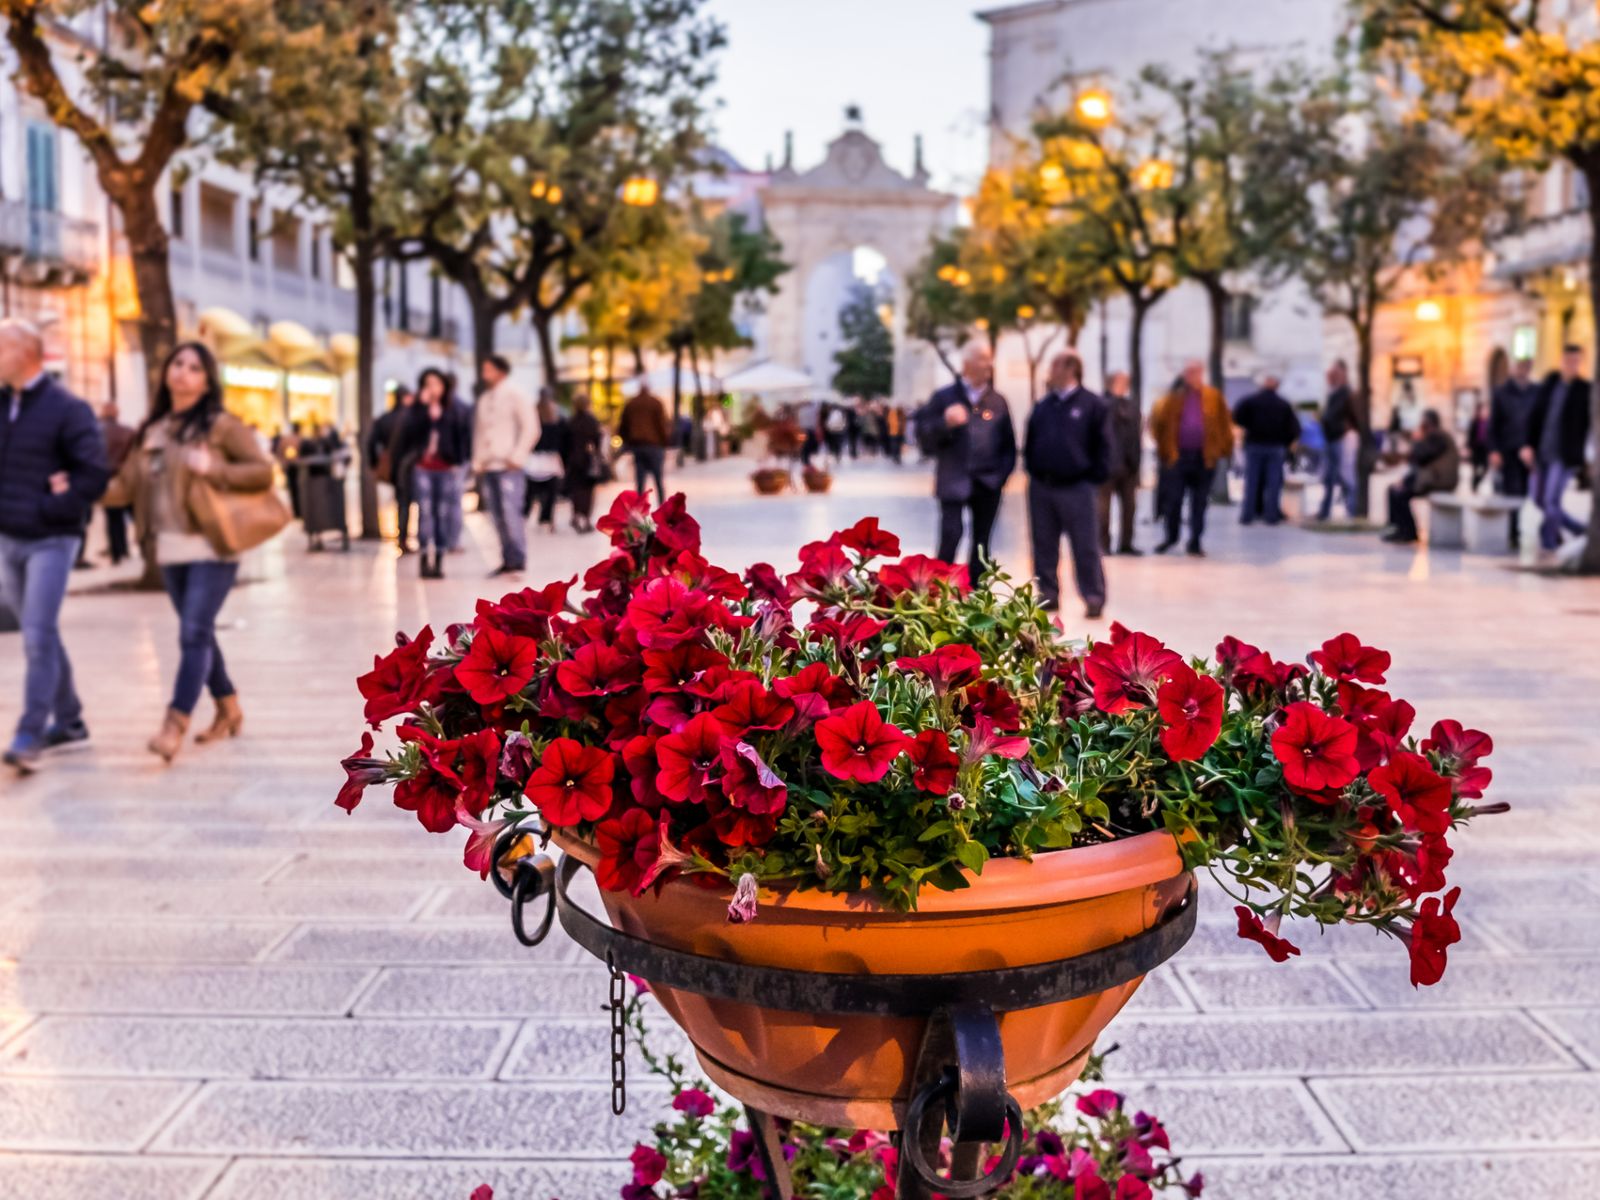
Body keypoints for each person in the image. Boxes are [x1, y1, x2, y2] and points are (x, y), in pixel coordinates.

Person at [102, 342, 276, 762]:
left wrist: (213, 468)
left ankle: (174, 723)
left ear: (206, 379)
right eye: (177, 363)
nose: (182, 372)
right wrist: (78, 489)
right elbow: (125, 486)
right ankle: (229, 707)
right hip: (169, 549)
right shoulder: (154, 429)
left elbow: (262, 472)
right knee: (199, 633)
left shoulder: (221, 426)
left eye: (194, 367)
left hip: (212, 546)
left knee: (193, 633)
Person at [0, 320, 109, 773]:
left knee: (36, 635)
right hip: (8, 536)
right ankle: (70, 721)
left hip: (51, 538)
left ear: (27, 353)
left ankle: (30, 732)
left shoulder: (68, 408)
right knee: (39, 630)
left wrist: (54, 505)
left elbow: (94, 474)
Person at [913, 343, 1017, 583]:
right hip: (953, 479)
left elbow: (1008, 444)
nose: (988, 365)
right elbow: (924, 436)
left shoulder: (998, 401)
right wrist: (945, 424)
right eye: (982, 359)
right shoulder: (944, 397)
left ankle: (976, 594)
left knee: (982, 541)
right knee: (951, 534)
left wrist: (1001, 476)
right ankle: (938, 589)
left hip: (987, 482)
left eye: (989, 359)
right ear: (967, 365)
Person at [1026, 352, 1109, 618]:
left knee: (1085, 545)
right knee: (1044, 544)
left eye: (1054, 365)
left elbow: (1105, 447)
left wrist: (1092, 477)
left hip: (1078, 487)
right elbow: (1030, 441)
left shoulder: (1092, 404)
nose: (1050, 371)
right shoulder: (1044, 405)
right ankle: (1048, 594)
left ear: (1071, 369)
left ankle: (1093, 595)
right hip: (1043, 487)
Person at [1148, 361, 1233, 556]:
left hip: (1205, 458)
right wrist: (1165, 450)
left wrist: (1223, 451)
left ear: (1202, 374)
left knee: (1200, 501)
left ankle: (1195, 540)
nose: (1192, 376)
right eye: (1189, 372)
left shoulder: (1213, 397)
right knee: (1174, 499)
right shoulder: (1171, 400)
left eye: (1196, 372)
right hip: (1177, 458)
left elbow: (1224, 425)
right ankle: (1171, 536)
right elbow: (1157, 425)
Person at [397, 368, 471, 578]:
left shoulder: (453, 409)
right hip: (422, 468)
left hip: (446, 468)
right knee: (425, 512)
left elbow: (463, 436)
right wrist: (421, 409)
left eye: (436, 384)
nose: (432, 388)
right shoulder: (416, 411)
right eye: (427, 384)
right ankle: (423, 559)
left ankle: (438, 559)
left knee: (442, 513)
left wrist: (459, 460)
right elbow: (407, 435)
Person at [472, 354, 539, 577]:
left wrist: (517, 456)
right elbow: (480, 433)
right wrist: (478, 460)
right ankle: (507, 558)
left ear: (500, 371)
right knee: (497, 516)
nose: (485, 375)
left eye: (488, 369)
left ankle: (518, 558)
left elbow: (531, 427)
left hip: (509, 466)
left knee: (511, 513)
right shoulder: (485, 400)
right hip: (490, 465)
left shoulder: (515, 395)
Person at [1522, 344, 1593, 554]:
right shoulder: (1550, 383)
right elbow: (1534, 415)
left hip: (1564, 456)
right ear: (1562, 360)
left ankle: (1549, 542)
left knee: (1551, 501)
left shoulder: (1584, 389)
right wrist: (1527, 444)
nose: (1572, 365)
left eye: (1576, 361)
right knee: (1537, 498)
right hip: (1541, 451)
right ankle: (1578, 529)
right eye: (1569, 360)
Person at [1231, 374, 1301, 526]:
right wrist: (1286, 442)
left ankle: (1247, 515)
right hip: (1275, 447)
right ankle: (1271, 516)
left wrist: (1248, 429)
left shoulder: (1250, 401)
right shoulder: (1283, 404)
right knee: (1273, 482)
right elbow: (1294, 428)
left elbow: (1237, 417)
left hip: (1255, 445)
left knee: (1252, 481)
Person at [1383, 408, 1461, 544]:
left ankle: (1407, 531)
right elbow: (1419, 463)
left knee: (1399, 493)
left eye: (1422, 424)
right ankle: (1400, 529)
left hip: (1439, 481)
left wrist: (1416, 439)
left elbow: (1419, 456)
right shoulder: (1438, 436)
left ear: (1427, 424)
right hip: (1435, 478)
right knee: (1395, 490)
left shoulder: (1437, 437)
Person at [1489, 358, 1537, 549]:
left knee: (1526, 492)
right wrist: (1494, 450)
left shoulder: (1536, 392)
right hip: (1508, 450)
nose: (1523, 370)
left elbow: (1539, 423)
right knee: (1511, 491)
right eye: (1520, 366)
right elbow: (1494, 425)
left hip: (1529, 451)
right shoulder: (1501, 393)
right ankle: (1512, 532)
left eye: (1527, 366)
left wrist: (1532, 447)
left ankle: (1519, 530)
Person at [1097, 371, 1142, 556]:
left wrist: (1136, 461)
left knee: (1129, 507)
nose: (1126, 385)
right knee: (1103, 509)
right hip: (1106, 466)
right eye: (1123, 382)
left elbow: (1135, 434)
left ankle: (1126, 543)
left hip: (1128, 465)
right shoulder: (1100, 404)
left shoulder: (1130, 406)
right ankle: (1103, 544)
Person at [1316, 361, 1357, 521]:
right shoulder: (1334, 392)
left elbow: (1339, 415)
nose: (1329, 377)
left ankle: (1351, 511)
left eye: (1333, 374)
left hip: (1340, 439)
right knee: (1330, 477)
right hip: (1332, 438)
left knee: (1345, 477)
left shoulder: (1345, 392)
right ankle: (1325, 511)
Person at [618, 380, 671, 500]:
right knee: (658, 479)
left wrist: (627, 441)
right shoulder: (656, 403)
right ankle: (662, 507)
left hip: (638, 445)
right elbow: (662, 425)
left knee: (640, 481)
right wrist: (665, 442)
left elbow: (623, 425)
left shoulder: (631, 403)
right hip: (654, 445)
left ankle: (640, 508)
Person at [98, 401, 136, 565]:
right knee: (134, 515)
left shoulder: (95, 432)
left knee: (113, 519)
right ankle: (127, 549)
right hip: (124, 478)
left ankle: (117, 553)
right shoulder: (127, 431)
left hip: (106, 479)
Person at [524, 391, 567, 530]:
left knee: (530, 492)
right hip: (550, 460)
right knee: (551, 493)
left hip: (535, 460)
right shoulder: (555, 419)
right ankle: (546, 518)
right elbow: (561, 441)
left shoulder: (533, 417)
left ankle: (524, 514)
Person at [563, 392, 606, 533]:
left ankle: (576, 515)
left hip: (573, 460)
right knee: (588, 491)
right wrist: (598, 455)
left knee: (576, 490)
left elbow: (564, 443)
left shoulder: (570, 421)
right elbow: (598, 440)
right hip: (587, 459)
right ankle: (586, 518)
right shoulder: (591, 421)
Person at [1467, 399, 1493, 491]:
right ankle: (1474, 485)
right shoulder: (1475, 422)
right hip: (1476, 449)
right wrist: (1468, 448)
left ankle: (1476, 482)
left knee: (1485, 468)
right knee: (1476, 468)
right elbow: (1470, 436)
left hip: (1485, 449)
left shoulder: (1489, 423)